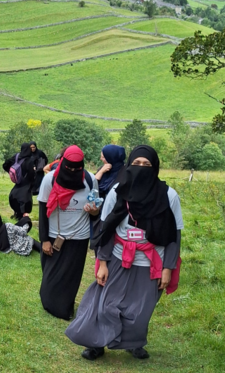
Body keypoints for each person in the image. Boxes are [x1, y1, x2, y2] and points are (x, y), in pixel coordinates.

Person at [65, 145, 183, 361]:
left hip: (150, 263)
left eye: (146, 165)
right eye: (136, 163)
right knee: (105, 306)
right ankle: (96, 343)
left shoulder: (169, 196)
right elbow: (106, 229)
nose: (141, 168)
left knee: (140, 311)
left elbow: (174, 236)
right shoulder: (118, 191)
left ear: (155, 168)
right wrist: (102, 263)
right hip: (119, 258)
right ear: (129, 165)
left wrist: (168, 268)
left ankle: (133, 343)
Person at [38, 145, 101, 320]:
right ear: (63, 162)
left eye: (77, 168)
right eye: (69, 167)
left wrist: (94, 211)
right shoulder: (49, 180)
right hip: (53, 235)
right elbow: (42, 212)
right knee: (50, 277)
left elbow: (96, 210)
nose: (73, 171)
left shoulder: (90, 180)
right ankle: (50, 300)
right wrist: (44, 240)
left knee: (71, 276)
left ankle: (66, 307)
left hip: (79, 237)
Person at [2, 143, 36, 219]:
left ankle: (16, 214)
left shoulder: (16, 157)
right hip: (26, 183)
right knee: (25, 200)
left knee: (15, 196)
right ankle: (23, 218)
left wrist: (12, 173)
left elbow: (5, 164)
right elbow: (31, 174)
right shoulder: (29, 160)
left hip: (18, 182)